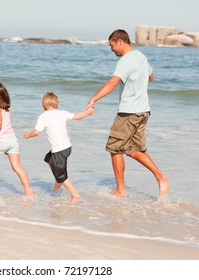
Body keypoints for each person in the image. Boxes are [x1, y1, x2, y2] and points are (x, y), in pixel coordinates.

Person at [86, 29, 168, 198]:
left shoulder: (126, 60)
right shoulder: (141, 56)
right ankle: (160, 176)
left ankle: (120, 190)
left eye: (112, 45)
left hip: (128, 112)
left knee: (114, 148)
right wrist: (137, 87)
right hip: (143, 110)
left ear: (120, 42)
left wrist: (94, 99)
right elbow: (150, 76)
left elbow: (113, 82)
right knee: (132, 149)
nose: (111, 49)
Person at [24, 92, 94, 203]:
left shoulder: (43, 116)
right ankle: (58, 179)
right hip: (67, 148)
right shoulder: (62, 113)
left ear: (43, 104)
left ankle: (75, 195)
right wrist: (88, 112)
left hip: (59, 151)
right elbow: (77, 116)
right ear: (57, 103)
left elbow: (36, 132)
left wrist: (28, 134)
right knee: (48, 159)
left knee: (62, 176)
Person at [0, 82, 34, 198]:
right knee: (17, 167)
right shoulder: (5, 109)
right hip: (13, 141)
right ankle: (28, 190)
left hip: (2, 141)